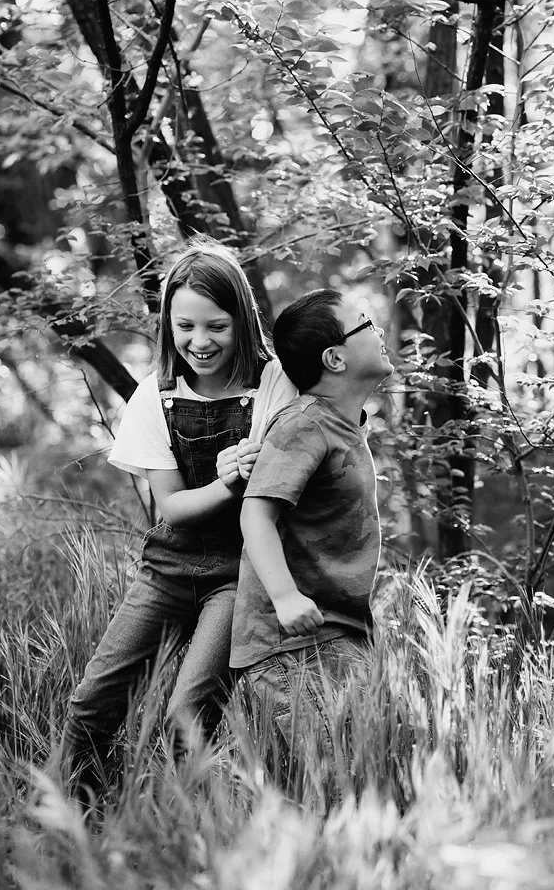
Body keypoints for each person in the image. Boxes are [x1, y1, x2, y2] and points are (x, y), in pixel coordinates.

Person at [63, 240, 296, 803]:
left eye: (217, 326)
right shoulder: (155, 396)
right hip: (168, 568)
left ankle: (184, 825)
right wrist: (227, 482)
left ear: (243, 320)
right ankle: (77, 818)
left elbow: (312, 450)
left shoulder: (273, 384)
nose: (200, 341)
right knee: (92, 703)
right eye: (185, 326)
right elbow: (171, 506)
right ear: (168, 325)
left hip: (239, 574)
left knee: (186, 713)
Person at [230, 288, 394, 782]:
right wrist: (284, 597)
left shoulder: (346, 425)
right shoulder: (304, 424)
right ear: (335, 358)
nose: (379, 330)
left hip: (338, 634)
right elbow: (255, 515)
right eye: (366, 323)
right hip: (294, 644)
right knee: (342, 788)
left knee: (374, 779)